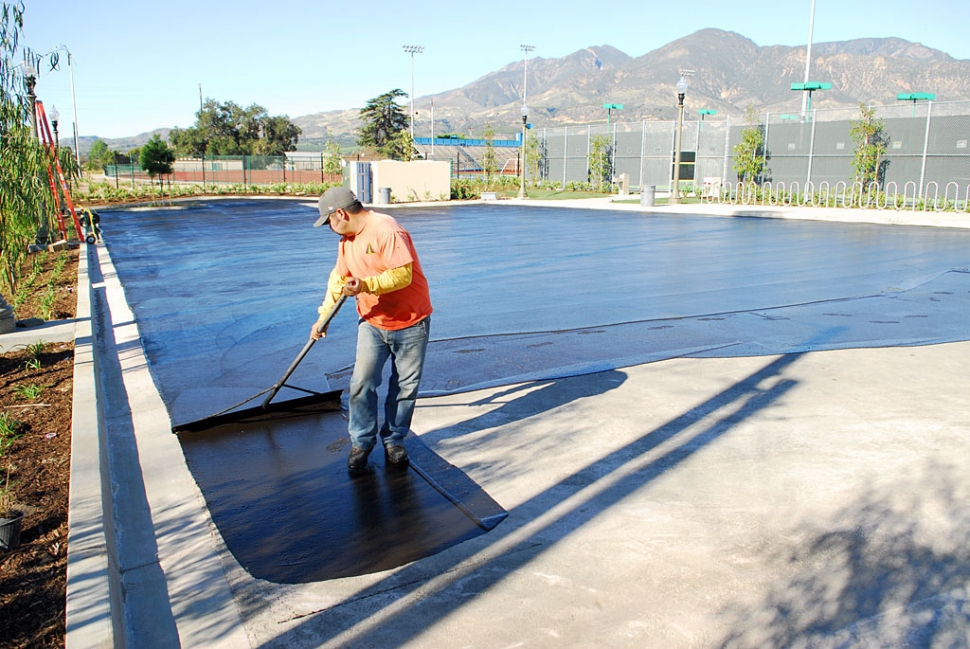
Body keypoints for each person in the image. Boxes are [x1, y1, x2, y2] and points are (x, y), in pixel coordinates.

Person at [311, 187, 433, 470]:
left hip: (412, 320)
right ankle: (362, 441)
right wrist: (323, 317)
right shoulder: (347, 241)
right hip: (372, 322)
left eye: (328, 220)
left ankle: (394, 440)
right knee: (362, 383)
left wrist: (366, 285)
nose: (329, 227)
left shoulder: (386, 229)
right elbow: (338, 279)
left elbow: (402, 274)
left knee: (404, 387)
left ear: (340, 213)